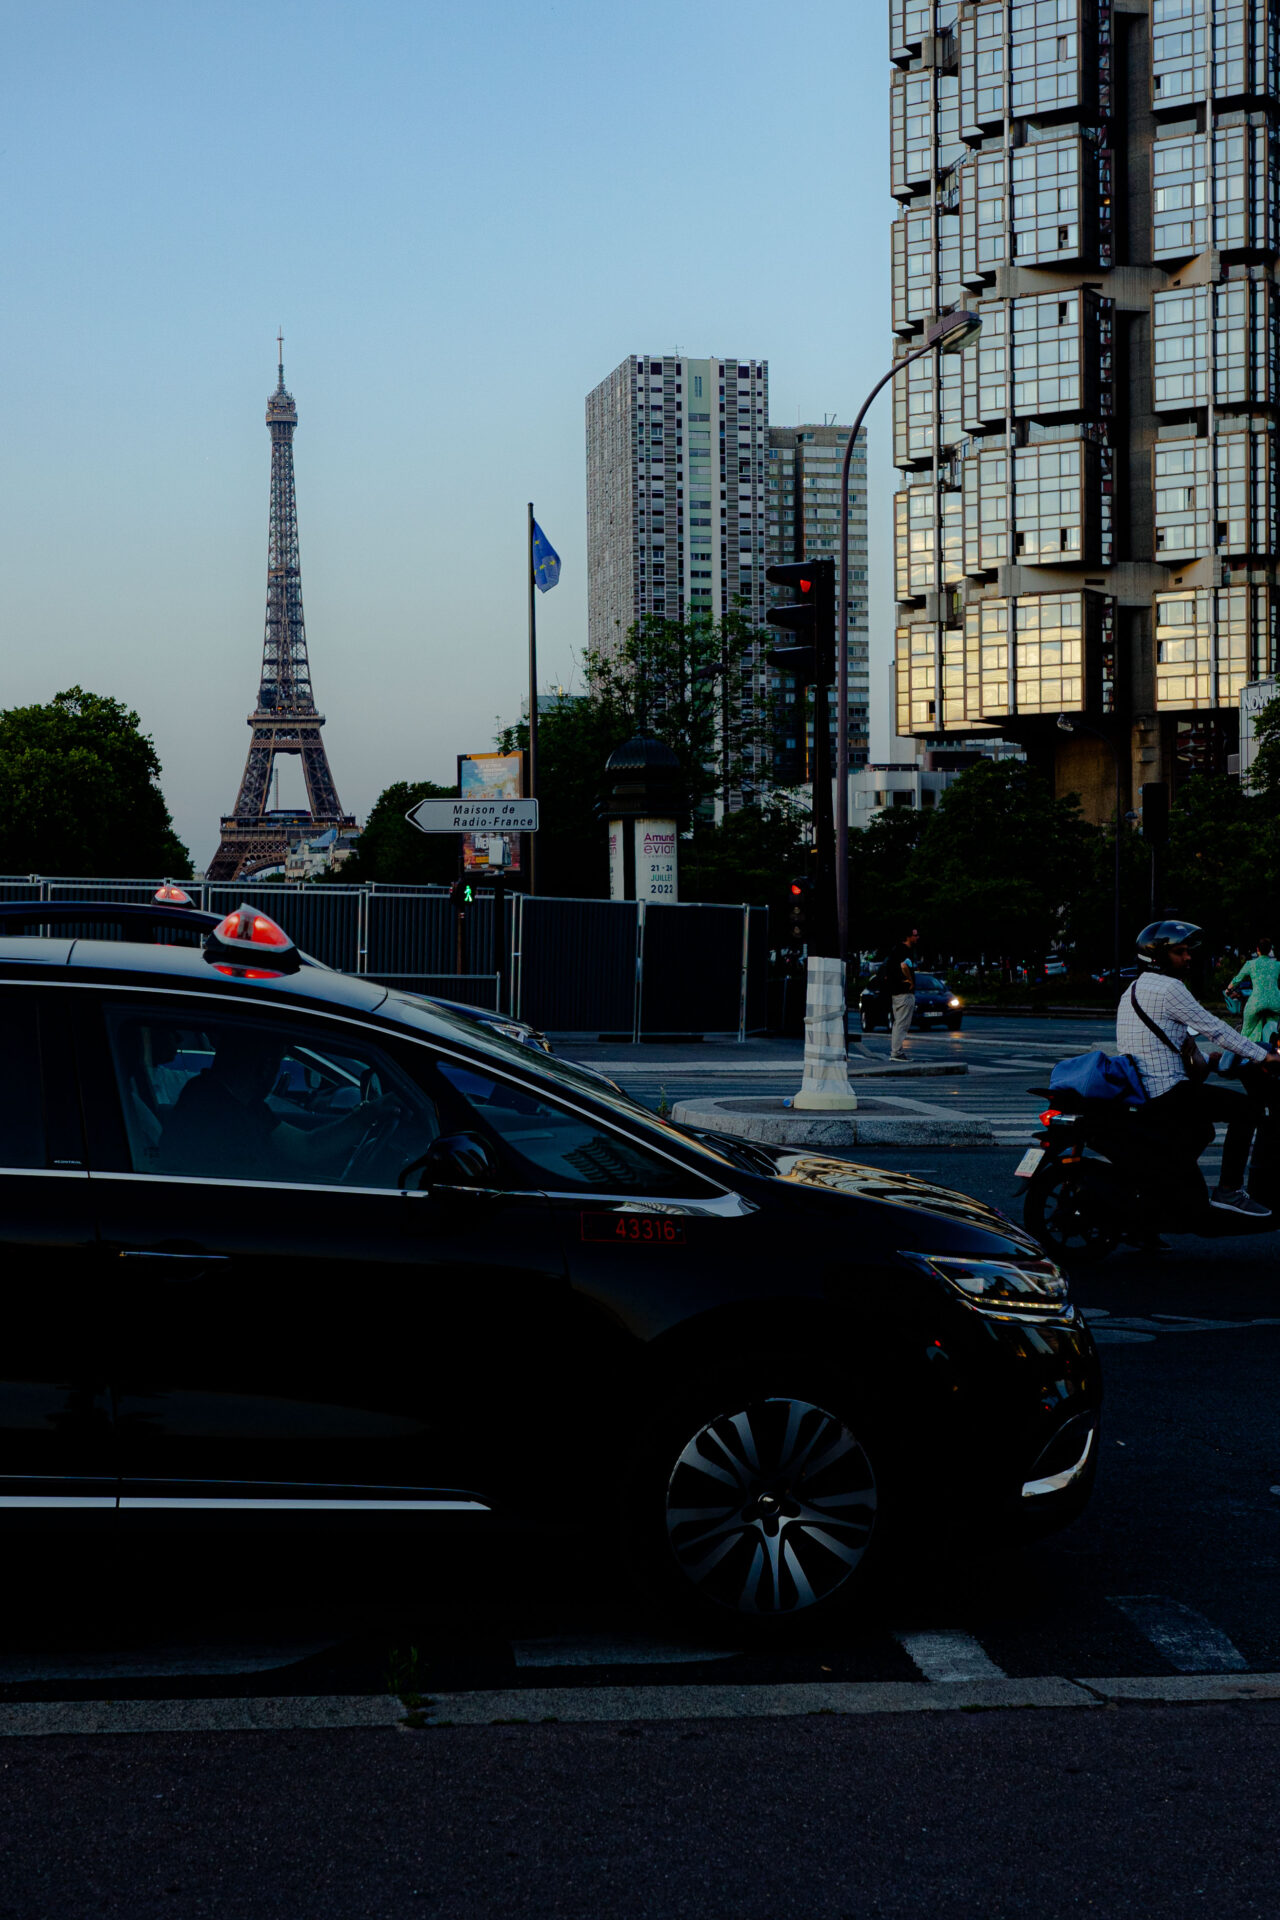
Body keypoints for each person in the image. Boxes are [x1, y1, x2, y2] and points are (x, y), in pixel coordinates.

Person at [1116, 920, 1280, 1218]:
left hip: (1146, 1088)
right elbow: (1214, 1028)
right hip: (1167, 1091)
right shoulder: (1169, 987)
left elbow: (1170, 1048)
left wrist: (1210, 1061)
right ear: (1159, 957)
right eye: (1180, 951)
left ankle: (1166, 1191)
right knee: (1249, 1110)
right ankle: (1229, 1191)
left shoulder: (1133, 989)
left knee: (1201, 1131)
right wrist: (1262, 1056)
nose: (1188, 956)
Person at [875, 926, 920, 1062]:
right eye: (915, 935)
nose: (917, 937)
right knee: (902, 1023)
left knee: (898, 1022)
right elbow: (904, 966)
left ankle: (896, 1051)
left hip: (896, 992)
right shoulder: (904, 951)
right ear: (908, 937)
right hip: (904, 992)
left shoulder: (895, 951)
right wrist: (910, 981)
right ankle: (897, 1052)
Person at [1225, 939, 1280, 1047]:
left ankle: (1245, 1051)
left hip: (1256, 1002)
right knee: (1277, 1028)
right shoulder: (1277, 965)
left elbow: (1237, 979)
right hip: (1276, 1002)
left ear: (1257, 950)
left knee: (1247, 1030)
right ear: (1270, 950)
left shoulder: (1250, 964)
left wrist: (1228, 990)